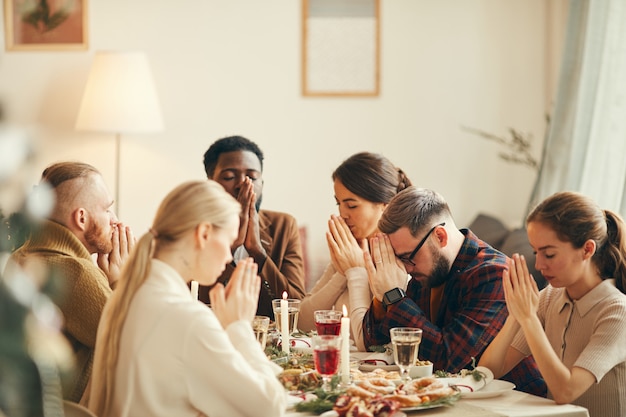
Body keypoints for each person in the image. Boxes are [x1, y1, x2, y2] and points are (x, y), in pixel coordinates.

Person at [88, 180, 287, 417]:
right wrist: (239, 327)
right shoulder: (186, 318)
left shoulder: (128, 295)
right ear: (203, 234)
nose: (228, 256)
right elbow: (269, 408)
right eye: (228, 242)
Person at [362, 186, 545, 396]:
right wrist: (381, 296)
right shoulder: (424, 271)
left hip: (517, 405)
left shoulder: (494, 274)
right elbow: (375, 348)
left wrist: (394, 298)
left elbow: (449, 361)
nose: (406, 269)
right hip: (453, 401)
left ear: (440, 236)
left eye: (407, 257)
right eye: (398, 259)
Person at [479, 191, 626, 416]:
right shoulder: (550, 297)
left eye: (549, 255)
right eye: (535, 252)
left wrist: (529, 319)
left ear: (587, 249)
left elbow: (566, 392)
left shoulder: (617, 312)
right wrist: (515, 316)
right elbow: (489, 372)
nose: (538, 265)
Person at [6, 161, 134, 403]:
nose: (115, 220)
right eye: (107, 209)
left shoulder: (20, 255)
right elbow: (133, 341)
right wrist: (122, 280)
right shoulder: (76, 272)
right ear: (82, 218)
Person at [298, 152, 411, 351]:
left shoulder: (402, 260)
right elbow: (302, 323)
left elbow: (366, 343)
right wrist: (343, 272)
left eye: (351, 205)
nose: (343, 214)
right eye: (338, 203)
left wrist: (356, 272)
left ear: (385, 205)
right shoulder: (349, 249)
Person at [199, 135, 305, 319]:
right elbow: (188, 300)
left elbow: (296, 306)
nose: (243, 184)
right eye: (229, 176)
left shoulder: (284, 225)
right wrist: (229, 247)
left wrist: (258, 252)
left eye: (252, 177)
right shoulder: (193, 228)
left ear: (262, 184)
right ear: (210, 184)